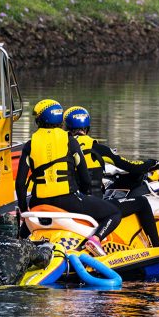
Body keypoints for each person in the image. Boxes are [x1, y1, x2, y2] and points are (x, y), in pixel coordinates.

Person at [14, 99, 121, 257]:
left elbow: (20, 184)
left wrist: (24, 210)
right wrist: (82, 196)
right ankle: (96, 239)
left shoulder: (30, 145)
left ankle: (17, 246)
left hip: (38, 203)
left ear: (39, 120)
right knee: (114, 212)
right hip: (68, 201)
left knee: (21, 235)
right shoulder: (69, 140)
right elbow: (85, 178)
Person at [63, 105, 159, 247]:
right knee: (142, 202)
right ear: (87, 128)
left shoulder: (61, 148)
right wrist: (152, 163)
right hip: (92, 205)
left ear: (66, 128)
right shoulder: (98, 148)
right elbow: (132, 166)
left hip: (69, 203)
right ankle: (158, 248)